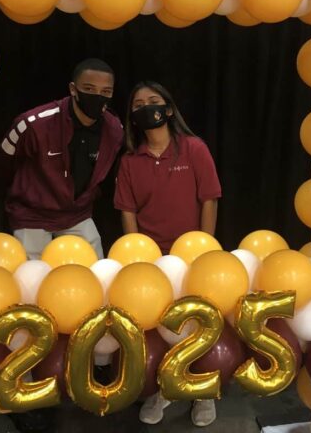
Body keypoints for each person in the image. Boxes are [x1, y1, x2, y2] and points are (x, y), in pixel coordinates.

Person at [114, 81, 222, 427]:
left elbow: (209, 199)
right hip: (152, 259)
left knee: (198, 327)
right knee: (161, 328)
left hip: (191, 254)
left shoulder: (193, 149)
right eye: (138, 103)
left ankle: (204, 392)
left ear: (169, 109)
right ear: (132, 116)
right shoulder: (130, 162)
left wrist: (205, 248)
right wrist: (136, 259)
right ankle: (164, 389)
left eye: (154, 101)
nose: (147, 107)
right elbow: (127, 212)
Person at [0, 58, 123, 261]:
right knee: (31, 280)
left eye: (106, 92)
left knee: (95, 271)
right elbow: (4, 163)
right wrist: (28, 194)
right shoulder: (34, 124)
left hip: (77, 215)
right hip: (31, 215)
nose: (98, 96)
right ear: (73, 89)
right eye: (89, 89)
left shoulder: (114, 129)